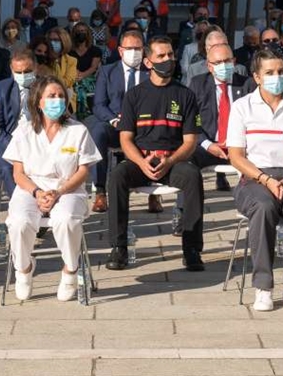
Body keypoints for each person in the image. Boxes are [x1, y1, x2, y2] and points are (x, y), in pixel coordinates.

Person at [227, 49, 283, 312]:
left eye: (280, 72)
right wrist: (265, 179)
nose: (276, 77)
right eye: (269, 73)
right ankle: (263, 286)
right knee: (264, 207)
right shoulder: (242, 107)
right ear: (257, 77)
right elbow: (236, 155)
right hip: (255, 177)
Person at [105, 36, 205, 272]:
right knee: (117, 176)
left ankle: (191, 249)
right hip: (141, 162)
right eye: (161, 56)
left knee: (193, 176)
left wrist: (170, 161)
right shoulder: (134, 95)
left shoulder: (186, 95)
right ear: (148, 62)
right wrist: (141, 162)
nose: (168, 60)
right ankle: (119, 248)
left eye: (170, 55)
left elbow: (190, 141)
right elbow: (125, 139)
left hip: (173, 161)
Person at [4, 75, 101, 301]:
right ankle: (24, 269)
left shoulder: (78, 130)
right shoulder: (24, 131)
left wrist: (59, 192)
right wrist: (37, 192)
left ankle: (70, 269)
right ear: (39, 102)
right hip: (31, 187)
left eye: (60, 96)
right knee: (18, 222)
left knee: (66, 219)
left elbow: (83, 170)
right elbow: (18, 172)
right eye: (51, 96)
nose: (57, 100)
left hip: (67, 187)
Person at [88, 30, 148, 213]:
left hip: (144, 127)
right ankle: (100, 191)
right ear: (121, 51)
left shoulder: (151, 71)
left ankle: (154, 193)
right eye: (129, 48)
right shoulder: (108, 72)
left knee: (161, 133)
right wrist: (114, 120)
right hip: (114, 125)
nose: (134, 52)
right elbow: (98, 105)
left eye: (138, 48)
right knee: (97, 132)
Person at [191, 43, 251, 192]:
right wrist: (208, 145)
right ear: (209, 66)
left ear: (234, 62)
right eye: (217, 63)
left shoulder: (247, 84)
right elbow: (191, 120)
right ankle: (184, 210)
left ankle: (253, 203)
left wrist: (239, 145)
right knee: (186, 163)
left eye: (227, 61)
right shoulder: (198, 84)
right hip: (208, 146)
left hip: (241, 147)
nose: (223, 66)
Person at [0, 51, 38, 195]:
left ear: (35, 68)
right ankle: (18, 205)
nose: (23, 75)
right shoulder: (2, 88)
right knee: (7, 168)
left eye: (28, 71)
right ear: (12, 71)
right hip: (10, 142)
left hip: (39, 140)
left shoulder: (46, 86)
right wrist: (14, 146)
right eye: (18, 72)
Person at [69, 23, 102, 117]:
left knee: (80, 87)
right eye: (78, 31)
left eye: (83, 31)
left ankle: (83, 111)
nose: (81, 33)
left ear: (87, 33)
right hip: (73, 77)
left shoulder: (95, 50)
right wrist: (76, 74)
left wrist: (82, 75)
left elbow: (94, 67)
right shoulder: (69, 51)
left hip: (90, 78)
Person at [45, 27, 77, 92]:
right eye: (50, 40)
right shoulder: (43, 58)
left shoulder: (71, 61)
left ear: (63, 41)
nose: (52, 42)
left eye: (56, 40)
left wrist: (55, 61)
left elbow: (67, 83)